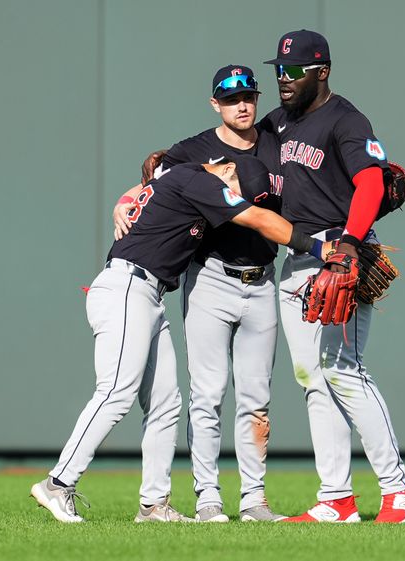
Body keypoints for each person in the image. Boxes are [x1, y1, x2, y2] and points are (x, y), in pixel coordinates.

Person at [32, 154, 329, 524]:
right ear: (227, 171)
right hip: (127, 287)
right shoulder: (202, 181)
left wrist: (123, 202)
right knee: (116, 392)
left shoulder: (182, 178)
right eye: (240, 192)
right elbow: (254, 217)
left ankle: (154, 505)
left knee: (165, 402)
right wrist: (320, 248)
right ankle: (59, 483)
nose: (238, 200)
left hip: (147, 293)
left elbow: (148, 180)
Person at [260, 29, 405, 524]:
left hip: (340, 255)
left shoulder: (345, 120)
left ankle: (398, 490)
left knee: (343, 369)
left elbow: (371, 182)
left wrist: (349, 243)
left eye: (294, 71)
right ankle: (336, 499)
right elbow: (237, 147)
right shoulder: (278, 122)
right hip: (297, 257)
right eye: (279, 71)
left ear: (321, 71)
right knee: (313, 379)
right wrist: (173, 159)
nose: (284, 80)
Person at [118, 65, 285, 522]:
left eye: (249, 95)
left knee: (257, 397)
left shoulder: (275, 141)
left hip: (262, 279)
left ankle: (254, 500)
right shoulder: (194, 149)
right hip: (210, 276)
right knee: (207, 394)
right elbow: (153, 186)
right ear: (216, 104)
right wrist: (124, 199)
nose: (243, 105)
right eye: (231, 99)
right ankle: (208, 496)